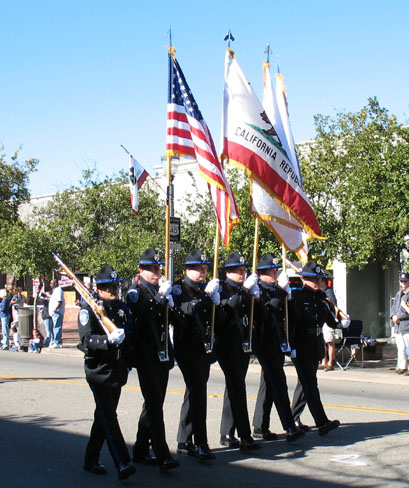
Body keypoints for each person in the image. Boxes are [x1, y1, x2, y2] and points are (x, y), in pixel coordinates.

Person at [78, 264, 136, 482]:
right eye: (109, 286)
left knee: (103, 416)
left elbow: (130, 334)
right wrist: (107, 340)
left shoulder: (121, 308)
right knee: (110, 417)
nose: (114, 290)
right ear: (99, 288)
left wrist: (129, 360)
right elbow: (86, 340)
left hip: (117, 370)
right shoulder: (89, 310)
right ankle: (122, 462)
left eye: (116, 286)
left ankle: (90, 459)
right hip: (98, 371)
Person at [126, 248, 179, 472]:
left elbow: (170, 320)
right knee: (155, 405)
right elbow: (143, 314)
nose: (157, 272)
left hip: (162, 353)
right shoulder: (135, 292)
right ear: (141, 270)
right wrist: (160, 298)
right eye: (152, 269)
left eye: (158, 268)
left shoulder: (160, 291)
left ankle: (140, 449)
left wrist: (172, 304)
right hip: (145, 355)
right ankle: (162, 454)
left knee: (153, 404)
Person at [171, 249, 220, 460]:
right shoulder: (178, 288)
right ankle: (201, 443)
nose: (203, 272)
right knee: (199, 393)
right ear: (187, 269)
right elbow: (184, 312)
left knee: (193, 392)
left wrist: (216, 301)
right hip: (186, 347)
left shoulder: (204, 288)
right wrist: (206, 296)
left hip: (203, 347)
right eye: (199, 268)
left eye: (205, 268)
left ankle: (184, 439)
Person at [252, 254, 305, 442]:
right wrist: (281, 291)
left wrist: (289, 298)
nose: (275, 274)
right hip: (264, 341)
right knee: (279, 383)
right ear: (262, 273)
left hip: (278, 342)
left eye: (276, 270)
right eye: (272, 271)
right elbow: (267, 312)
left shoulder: (277, 290)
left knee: (268, 384)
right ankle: (289, 426)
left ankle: (260, 426)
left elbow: (294, 316)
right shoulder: (258, 290)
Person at [290, 260, 341, 435]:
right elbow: (291, 323)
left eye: (319, 279)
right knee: (310, 384)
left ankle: (292, 419)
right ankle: (321, 422)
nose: (318, 282)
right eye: (314, 279)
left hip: (315, 344)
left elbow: (331, 322)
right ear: (304, 279)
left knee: (305, 383)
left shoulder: (321, 298)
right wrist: (290, 345)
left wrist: (341, 320)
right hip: (301, 345)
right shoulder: (296, 297)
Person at [216, 252, 261, 451]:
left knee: (234, 387)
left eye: (244, 270)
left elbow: (259, 316)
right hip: (227, 345)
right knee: (238, 388)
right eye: (238, 270)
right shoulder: (222, 288)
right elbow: (226, 308)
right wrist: (244, 290)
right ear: (228, 272)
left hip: (243, 344)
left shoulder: (245, 290)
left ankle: (227, 432)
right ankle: (245, 435)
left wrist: (256, 298)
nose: (242, 273)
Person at [390, 272, 409, 375]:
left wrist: (398, 316)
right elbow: (394, 307)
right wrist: (393, 315)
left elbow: (406, 310)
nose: (403, 283)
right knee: (401, 348)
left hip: (406, 325)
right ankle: (402, 366)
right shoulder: (399, 293)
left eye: (405, 281)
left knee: (408, 348)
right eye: (402, 281)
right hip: (398, 326)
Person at [319, 273, 339, 372]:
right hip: (322, 319)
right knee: (323, 341)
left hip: (328, 319)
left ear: (324, 282)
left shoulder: (328, 291)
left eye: (320, 281)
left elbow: (333, 305)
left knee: (329, 341)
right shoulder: (320, 292)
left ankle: (331, 362)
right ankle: (324, 361)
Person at [48, 278, 65, 348]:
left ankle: (57, 342)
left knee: (57, 327)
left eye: (51, 283)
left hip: (57, 312)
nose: (50, 284)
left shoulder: (58, 290)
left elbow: (60, 301)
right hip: (54, 313)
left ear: (55, 283)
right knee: (55, 327)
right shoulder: (55, 291)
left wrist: (55, 309)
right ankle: (58, 341)